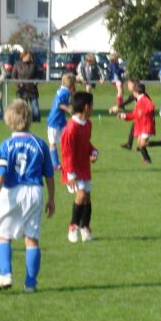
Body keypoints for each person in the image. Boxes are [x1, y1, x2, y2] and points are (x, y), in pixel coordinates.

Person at [0, 99, 55, 294]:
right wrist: (51, 199)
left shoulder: (6, 145)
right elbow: (49, 175)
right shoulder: (40, 144)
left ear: (9, 121)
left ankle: (5, 274)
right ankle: (30, 284)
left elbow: (1, 172)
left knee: (4, 235)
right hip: (34, 191)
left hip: (12, 191)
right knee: (31, 238)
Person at [61, 91, 98, 243]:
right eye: (92, 106)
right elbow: (66, 152)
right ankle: (73, 226)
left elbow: (86, 143)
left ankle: (85, 227)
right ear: (86, 107)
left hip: (84, 167)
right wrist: (70, 175)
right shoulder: (70, 129)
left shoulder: (88, 124)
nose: (93, 109)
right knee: (81, 195)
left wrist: (93, 151)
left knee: (87, 198)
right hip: (73, 170)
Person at [117, 81, 161, 164]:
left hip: (147, 125)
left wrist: (143, 111)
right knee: (140, 144)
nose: (133, 94)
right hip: (141, 125)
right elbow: (134, 114)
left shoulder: (144, 99)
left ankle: (147, 160)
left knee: (142, 145)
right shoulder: (139, 101)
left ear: (136, 92)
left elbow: (151, 106)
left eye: (133, 92)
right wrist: (124, 116)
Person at [46, 73, 75, 169]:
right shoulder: (65, 92)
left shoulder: (62, 90)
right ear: (72, 85)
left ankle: (68, 161)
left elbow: (66, 101)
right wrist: (69, 110)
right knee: (53, 142)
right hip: (54, 120)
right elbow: (59, 104)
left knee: (66, 141)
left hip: (60, 120)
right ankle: (55, 163)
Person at [12, 50, 41, 122]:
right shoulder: (17, 65)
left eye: (30, 56)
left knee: (35, 107)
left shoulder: (34, 65)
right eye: (28, 56)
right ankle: (21, 119)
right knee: (21, 107)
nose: (30, 57)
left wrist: (35, 82)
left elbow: (39, 75)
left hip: (32, 90)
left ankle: (36, 120)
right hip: (22, 90)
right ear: (23, 56)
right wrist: (18, 84)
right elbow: (13, 76)